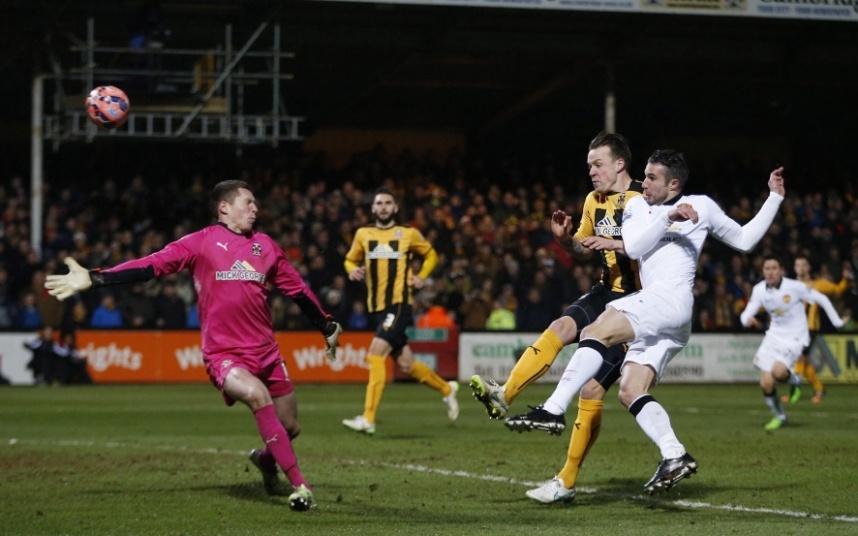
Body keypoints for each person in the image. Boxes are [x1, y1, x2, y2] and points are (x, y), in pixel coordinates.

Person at [44, 180, 343, 512]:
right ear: (224, 207)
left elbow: (296, 288)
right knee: (257, 395)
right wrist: (97, 277)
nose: (255, 209)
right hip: (225, 355)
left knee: (290, 427)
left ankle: (265, 461)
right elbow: (151, 265)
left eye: (255, 203)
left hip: (267, 353)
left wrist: (326, 324)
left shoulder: (265, 246)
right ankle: (301, 486)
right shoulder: (200, 242)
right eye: (248, 202)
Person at [522, 150, 784, 502]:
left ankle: (553, 408)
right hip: (666, 317)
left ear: (674, 183)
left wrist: (774, 197)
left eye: (652, 178)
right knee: (630, 390)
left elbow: (745, 240)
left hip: (671, 299)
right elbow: (634, 247)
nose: (643, 182)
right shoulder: (635, 206)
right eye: (644, 175)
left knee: (593, 332)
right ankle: (674, 453)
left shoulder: (701, 206)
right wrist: (667, 218)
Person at [470, 132, 642, 503]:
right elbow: (583, 248)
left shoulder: (643, 200)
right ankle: (504, 394)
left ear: (619, 164)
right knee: (560, 326)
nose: (592, 172)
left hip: (638, 306)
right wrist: (566, 240)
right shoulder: (593, 200)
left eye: (598, 164)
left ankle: (566, 481)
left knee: (592, 389)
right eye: (589, 166)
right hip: (605, 291)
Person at [341, 186, 459, 435]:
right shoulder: (363, 234)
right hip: (377, 308)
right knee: (406, 364)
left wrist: (422, 276)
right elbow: (350, 259)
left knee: (375, 354)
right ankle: (447, 389)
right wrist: (352, 270)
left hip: (399, 304)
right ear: (373, 208)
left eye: (387, 203)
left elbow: (431, 255)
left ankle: (368, 418)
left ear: (395, 208)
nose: (383, 207)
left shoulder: (408, 233)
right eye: (379, 203)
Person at [739, 256, 847, 430]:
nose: (770, 272)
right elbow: (747, 312)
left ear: (781, 270)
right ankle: (780, 416)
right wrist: (746, 320)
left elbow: (822, 299)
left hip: (795, 337)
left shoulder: (794, 287)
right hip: (773, 336)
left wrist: (837, 322)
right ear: (763, 271)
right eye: (767, 268)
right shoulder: (759, 290)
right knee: (766, 383)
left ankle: (795, 380)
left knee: (778, 372)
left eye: (774, 268)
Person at [787, 256, 853, 403]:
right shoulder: (790, 286)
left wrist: (845, 279)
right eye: (798, 265)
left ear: (808, 268)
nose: (801, 268)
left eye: (803, 265)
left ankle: (795, 391)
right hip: (794, 329)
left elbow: (837, 289)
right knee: (804, 362)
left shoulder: (818, 284)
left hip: (810, 328)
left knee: (800, 357)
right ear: (794, 268)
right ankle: (819, 389)